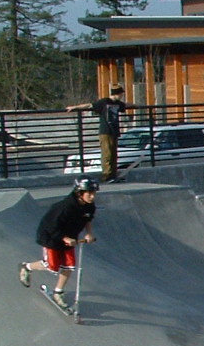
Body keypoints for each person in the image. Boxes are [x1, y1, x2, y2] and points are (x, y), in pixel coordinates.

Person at [18, 178, 98, 310]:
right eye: (89, 193)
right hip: (51, 237)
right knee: (51, 265)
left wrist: (89, 233)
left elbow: (87, 219)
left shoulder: (89, 206)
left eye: (94, 193)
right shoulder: (65, 207)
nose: (92, 196)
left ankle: (58, 292)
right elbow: (50, 225)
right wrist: (64, 238)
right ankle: (26, 267)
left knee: (69, 266)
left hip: (70, 238)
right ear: (79, 193)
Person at [66, 85, 127, 183]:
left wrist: (137, 106)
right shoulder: (104, 102)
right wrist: (75, 107)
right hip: (105, 131)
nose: (122, 96)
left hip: (114, 131)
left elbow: (126, 105)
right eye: (121, 94)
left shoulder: (118, 104)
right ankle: (107, 176)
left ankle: (113, 175)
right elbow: (89, 105)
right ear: (117, 93)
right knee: (107, 154)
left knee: (114, 155)